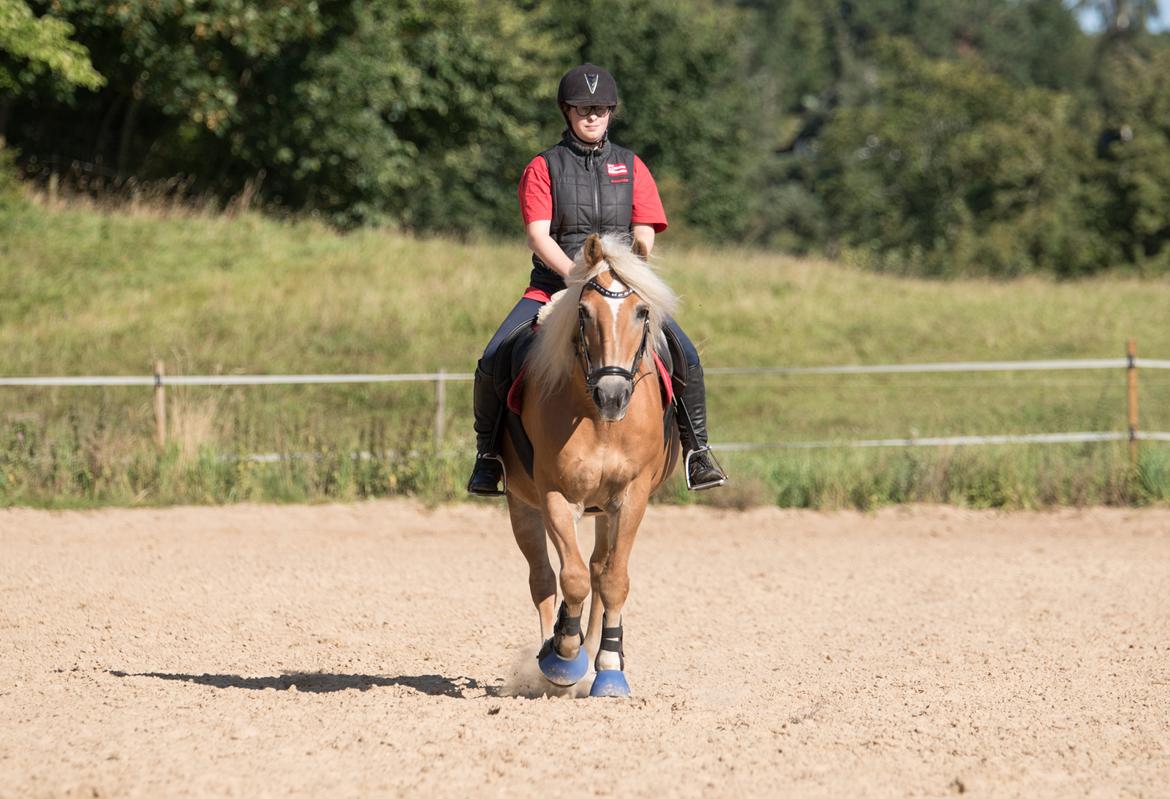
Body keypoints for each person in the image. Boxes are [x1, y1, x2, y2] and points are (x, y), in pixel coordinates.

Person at [467, 63, 727, 495]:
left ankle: (698, 451)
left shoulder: (632, 165)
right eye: (583, 108)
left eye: (601, 108)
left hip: (621, 290)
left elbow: (644, 226)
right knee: (495, 355)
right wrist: (575, 275)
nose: (592, 116)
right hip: (555, 286)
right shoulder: (543, 166)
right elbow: (538, 234)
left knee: (686, 355)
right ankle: (489, 458)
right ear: (567, 111)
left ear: (611, 112)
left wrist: (637, 259)